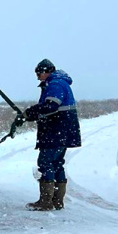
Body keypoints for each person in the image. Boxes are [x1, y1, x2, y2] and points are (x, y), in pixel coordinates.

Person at [23, 59, 81, 210]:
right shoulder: (60, 82)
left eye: (39, 74)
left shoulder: (55, 84)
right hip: (62, 131)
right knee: (57, 164)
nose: (38, 78)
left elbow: (51, 105)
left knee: (46, 162)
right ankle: (57, 201)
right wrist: (34, 114)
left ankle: (46, 202)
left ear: (46, 71)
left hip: (56, 130)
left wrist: (31, 112)